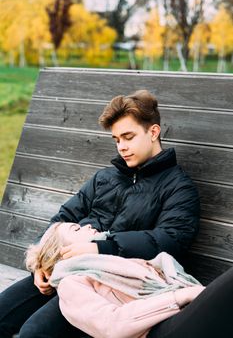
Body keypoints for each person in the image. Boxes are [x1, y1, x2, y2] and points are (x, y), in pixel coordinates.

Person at [0, 90, 200, 337]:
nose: (122, 147)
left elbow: (171, 239)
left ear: (153, 132)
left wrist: (101, 248)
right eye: (116, 139)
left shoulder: (178, 187)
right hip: (62, 268)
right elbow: (63, 217)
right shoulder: (104, 178)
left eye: (128, 137)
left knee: (35, 333)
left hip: (105, 282)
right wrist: (41, 260)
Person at [25, 221, 233, 338]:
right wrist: (180, 295)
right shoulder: (71, 284)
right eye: (76, 229)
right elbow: (112, 325)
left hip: (180, 316)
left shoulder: (114, 263)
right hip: (155, 331)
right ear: (63, 251)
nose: (88, 225)